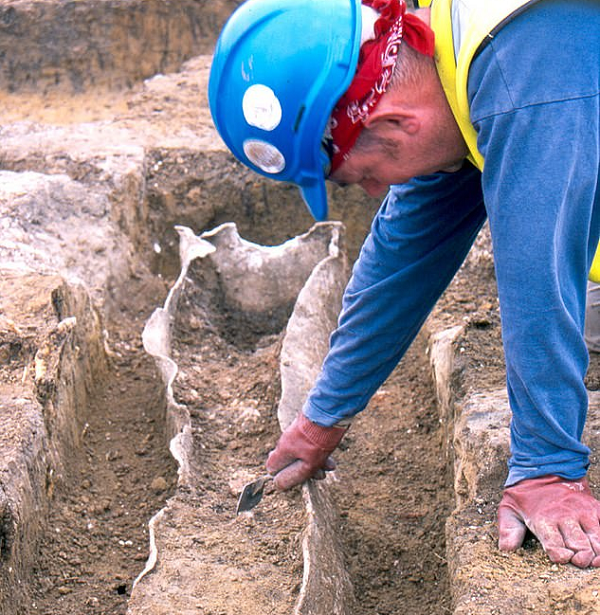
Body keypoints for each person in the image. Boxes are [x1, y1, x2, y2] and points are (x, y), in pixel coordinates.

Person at [209, 0, 600, 568]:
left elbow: (538, 273)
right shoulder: (448, 60)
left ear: (393, 125)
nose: (373, 193)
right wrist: (324, 415)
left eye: (365, 176)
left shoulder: (524, 74)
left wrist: (546, 468)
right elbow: (403, 255)